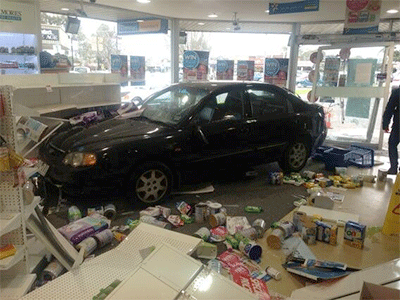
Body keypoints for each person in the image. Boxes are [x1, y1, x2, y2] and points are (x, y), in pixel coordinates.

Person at [382, 87, 399, 174]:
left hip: (398, 125)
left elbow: (390, 108)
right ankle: (393, 168)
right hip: (398, 125)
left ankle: (393, 167)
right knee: (392, 143)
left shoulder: (397, 91)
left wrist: (385, 123)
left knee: (392, 144)